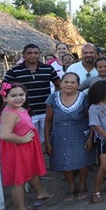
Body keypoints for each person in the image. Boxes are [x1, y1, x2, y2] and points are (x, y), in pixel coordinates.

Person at [0, 83, 52, 210]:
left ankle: (40, 193)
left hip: (26, 147)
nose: (18, 98)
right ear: (5, 98)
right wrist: (22, 139)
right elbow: (5, 135)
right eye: (13, 95)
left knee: (31, 171)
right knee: (18, 181)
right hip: (17, 150)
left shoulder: (21, 108)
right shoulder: (9, 113)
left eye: (21, 95)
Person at [44, 72, 94, 201]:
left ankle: (82, 185)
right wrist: (48, 142)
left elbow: (92, 120)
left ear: (78, 85)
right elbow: (48, 121)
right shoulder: (52, 98)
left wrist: (90, 138)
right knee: (64, 161)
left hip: (80, 135)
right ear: (60, 83)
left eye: (73, 82)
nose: (69, 85)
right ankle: (71, 186)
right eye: (66, 82)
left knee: (82, 161)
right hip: (60, 136)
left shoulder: (83, 98)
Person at [4, 44, 61, 143]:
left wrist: (55, 99)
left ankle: (45, 159)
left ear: (39, 55)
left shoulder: (48, 69)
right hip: (26, 113)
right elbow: (4, 90)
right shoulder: (14, 71)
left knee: (47, 141)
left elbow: (59, 85)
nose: (33, 55)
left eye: (36, 53)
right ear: (23, 55)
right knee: (30, 142)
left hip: (46, 112)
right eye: (29, 53)